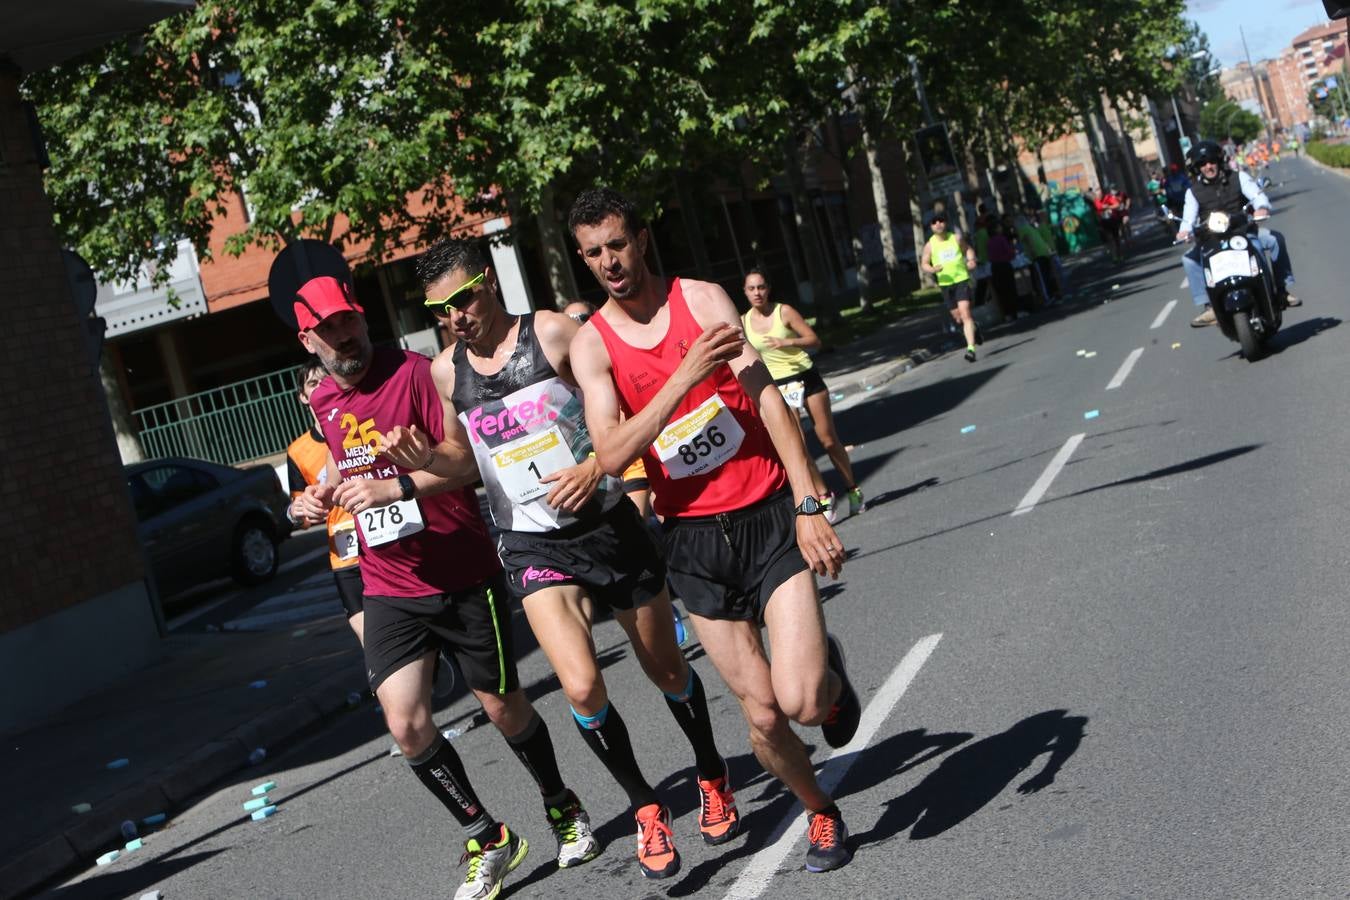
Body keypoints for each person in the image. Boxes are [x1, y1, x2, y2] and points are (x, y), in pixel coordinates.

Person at [394, 238, 739, 880]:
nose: (456, 316)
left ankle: (712, 769)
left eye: (464, 298)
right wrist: (423, 463)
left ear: (491, 285)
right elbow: (463, 460)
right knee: (580, 684)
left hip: (607, 525)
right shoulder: (447, 372)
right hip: (529, 541)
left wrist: (595, 468)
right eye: (441, 308)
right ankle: (644, 807)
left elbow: (615, 416)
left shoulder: (555, 335)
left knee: (665, 667)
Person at [566, 187, 862, 875]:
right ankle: (821, 810)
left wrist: (809, 501)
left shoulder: (701, 301)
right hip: (693, 544)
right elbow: (611, 454)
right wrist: (682, 376)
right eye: (593, 254)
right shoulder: (592, 346)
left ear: (640, 238)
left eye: (616, 244)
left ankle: (833, 682)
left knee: (804, 701)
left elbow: (764, 399)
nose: (609, 262)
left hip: (765, 517)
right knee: (761, 716)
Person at [289, 275, 594, 900]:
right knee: (405, 724)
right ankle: (488, 836)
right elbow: (339, 472)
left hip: (460, 570)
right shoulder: (321, 401)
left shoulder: (420, 374)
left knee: (501, 707)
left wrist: (411, 469)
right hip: (388, 584)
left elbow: (466, 465)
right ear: (307, 340)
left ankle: (561, 804)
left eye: (349, 320)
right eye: (329, 329)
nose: (345, 334)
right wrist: (310, 503)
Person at [740, 268, 864, 518]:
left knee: (827, 438)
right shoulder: (743, 321)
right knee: (797, 444)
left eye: (761, 287)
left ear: (768, 288)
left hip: (805, 377)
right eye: (752, 288)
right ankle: (824, 494)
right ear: (744, 292)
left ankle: (852, 488)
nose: (757, 293)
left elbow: (814, 340)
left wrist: (788, 342)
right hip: (779, 385)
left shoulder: (783, 311)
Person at [1176, 140, 1301, 328]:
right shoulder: (1193, 192)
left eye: (1211, 161)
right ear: (1197, 168)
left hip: (1243, 233)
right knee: (1188, 260)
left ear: (1219, 160)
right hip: (1211, 240)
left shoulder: (1239, 177)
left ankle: (1280, 290)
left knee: (1273, 240)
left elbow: (1258, 196)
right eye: (1202, 164)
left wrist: (1261, 208)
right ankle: (1209, 306)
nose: (1208, 166)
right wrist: (1184, 232)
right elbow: (1187, 219)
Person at [285, 356, 364, 643]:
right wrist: (299, 510)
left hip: (387, 543)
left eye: (325, 380)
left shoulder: (359, 425)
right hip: (345, 557)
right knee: (372, 646)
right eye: (312, 383)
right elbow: (301, 513)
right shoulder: (297, 451)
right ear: (303, 397)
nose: (320, 388)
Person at [920, 211, 982, 361]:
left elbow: (968, 250)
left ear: (945, 223)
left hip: (961, 280)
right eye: (934, 222)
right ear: (931, 226)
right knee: (958, 318)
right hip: (946, 285)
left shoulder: (956, 238)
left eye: (941, 221)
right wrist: (932, 269)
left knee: (965, 313)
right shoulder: (930, 245)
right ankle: (975, 330)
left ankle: (971, 350)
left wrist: (972, 260)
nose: (938, 224)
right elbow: (924, 264)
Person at [1093, 185, 1125, 261]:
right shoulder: (1096, 201)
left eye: (1099, 193)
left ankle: (1119, 254)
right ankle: (1114, 256)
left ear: (1102, 193)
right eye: (1097, 194)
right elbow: (1097, 210)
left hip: (1113, 220)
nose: (1098, 196)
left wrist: (1108, 207)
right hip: (1103, 221)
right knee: (1109, 239)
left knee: (1116, 238)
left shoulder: (1109, 197)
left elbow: (1117, 205)